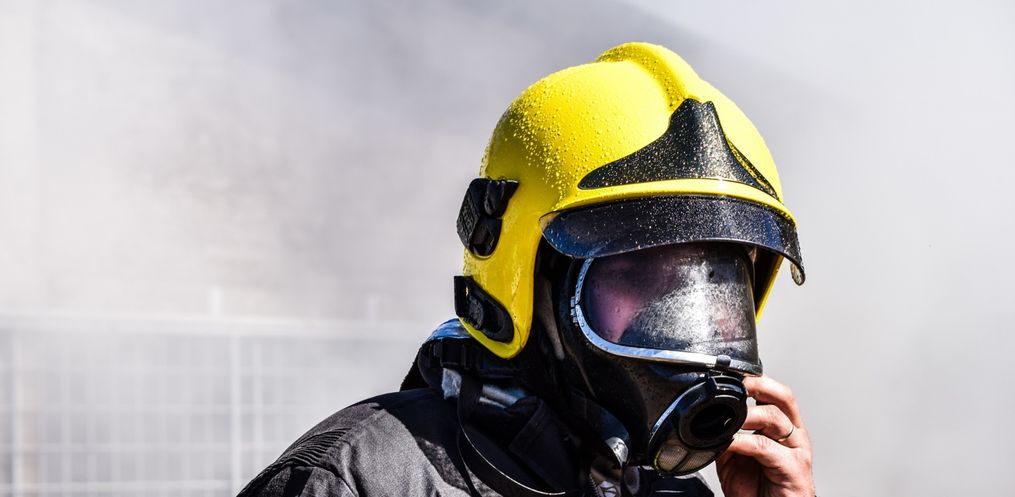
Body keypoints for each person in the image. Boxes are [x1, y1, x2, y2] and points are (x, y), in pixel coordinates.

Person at [237, 42, 815, 497]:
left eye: (717, 285)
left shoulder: (676, 494)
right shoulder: (361, 480)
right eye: (642, 276)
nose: (689, 322)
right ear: (529, 283)